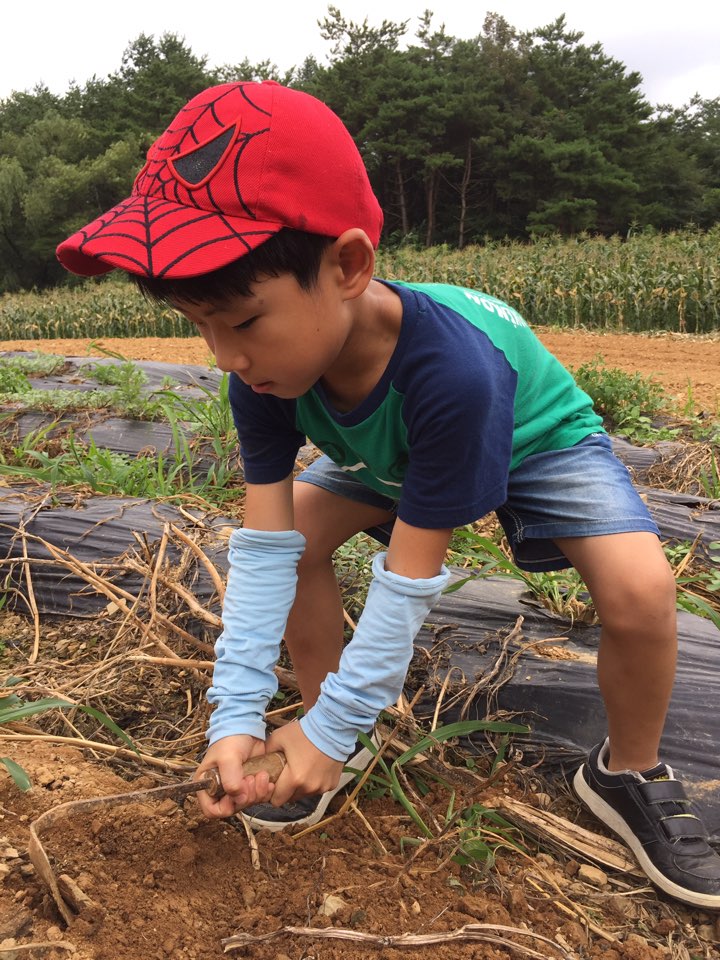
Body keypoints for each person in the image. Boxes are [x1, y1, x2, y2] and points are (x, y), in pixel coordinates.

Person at [57, 80, 720, 910]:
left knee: (643, 593)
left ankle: (626, 773)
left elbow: (409, 586)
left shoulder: (455, 372)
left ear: (347, 265)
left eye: (244, 321)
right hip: (393, 452)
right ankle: (331, 730)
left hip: (531, 437)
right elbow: (262, 549)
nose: (225, 355)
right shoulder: (261, 377)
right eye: (201, 327)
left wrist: (334, 723)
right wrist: (233, 715)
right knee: (297, 537)